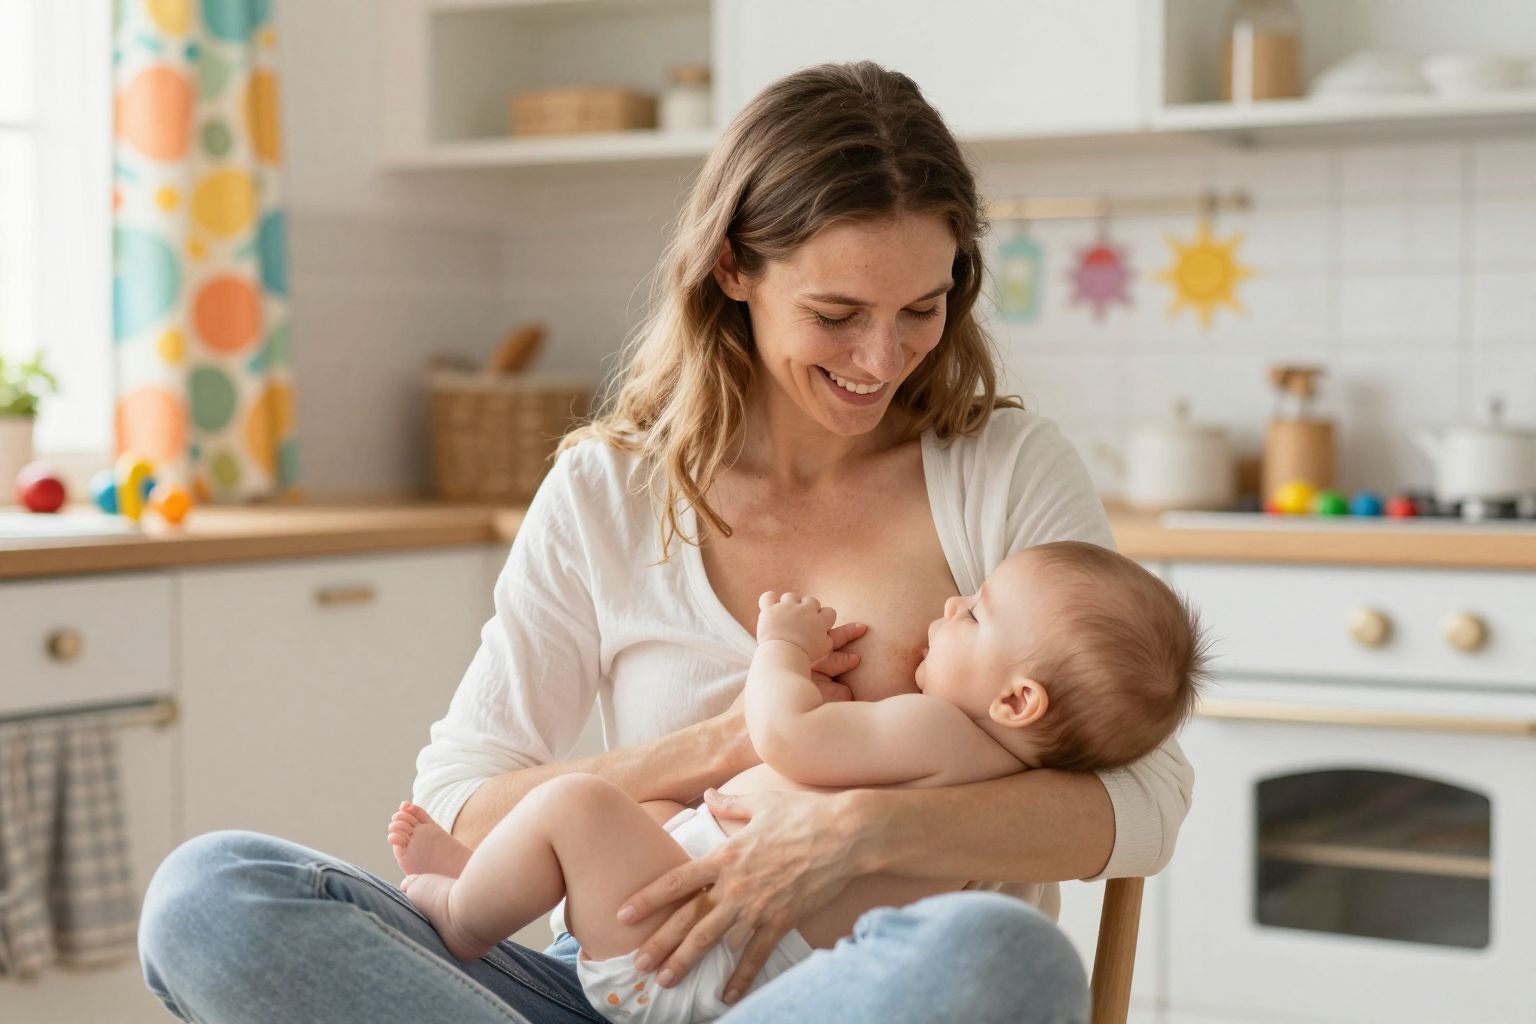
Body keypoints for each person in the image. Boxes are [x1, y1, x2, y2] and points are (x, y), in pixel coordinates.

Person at [137, 61, 1194, 1024]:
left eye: (923, 307)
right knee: (210, 896)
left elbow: (1146, 798)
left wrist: (861, 830)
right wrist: (725, 743)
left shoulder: (999, 467)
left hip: (850, 994)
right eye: (837, 312)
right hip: (611, 983)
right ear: (734, 268)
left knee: (1000, 954)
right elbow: (462, 791)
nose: (884, 357)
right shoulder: (608, 488)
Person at [388, 542, 1206, 1023]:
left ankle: (464, 915)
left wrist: (780, 649)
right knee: (653, 811)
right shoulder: (984, 762)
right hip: (733, 965)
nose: (955, 602)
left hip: (692, 963)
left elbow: (789, 736)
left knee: (576, 805)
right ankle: (489, 888)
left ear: (1017, 699)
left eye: (977, 616)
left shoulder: (938, 728)